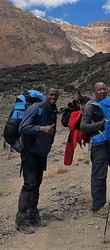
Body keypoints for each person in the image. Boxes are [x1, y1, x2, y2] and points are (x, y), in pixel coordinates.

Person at [15, 87, 59, 234]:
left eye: (55, 95)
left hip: (41, 152)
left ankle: (33, 215)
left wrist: (49, 141)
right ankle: (21, 220)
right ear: (46, 95)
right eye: (51, 94)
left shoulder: (53, 111)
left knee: (37, 184)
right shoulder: (36, 108)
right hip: (30, 152)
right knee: (29, 184)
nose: (53, 97)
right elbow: (23, 128)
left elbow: (53, 130)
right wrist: (41, 128)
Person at [80, 82, 110, 217]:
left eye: (104, 88)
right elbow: (83, 126)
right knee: (99, 175)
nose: (102, 91)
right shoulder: (91, 107)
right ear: (94, 91)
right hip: (98, 145)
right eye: (99, 89)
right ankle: (98, 207)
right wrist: (99, 124)